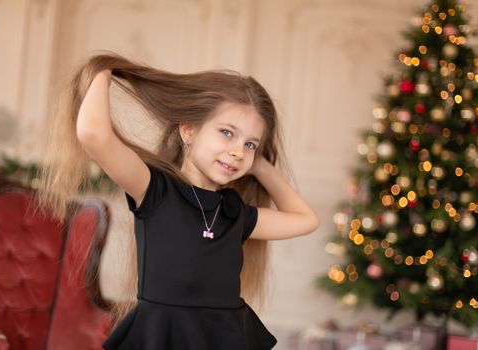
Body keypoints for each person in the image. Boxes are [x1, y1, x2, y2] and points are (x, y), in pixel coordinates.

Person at [38, 51, 319, 350]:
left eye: (249, 143)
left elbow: (305, 220)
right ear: (189, 130)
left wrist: (260, 164)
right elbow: (93, 134)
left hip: (224, 338)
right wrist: (103, 71)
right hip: (161, 336)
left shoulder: (235, 213)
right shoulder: (154, 189)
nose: (238, 151)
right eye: (226, 133)